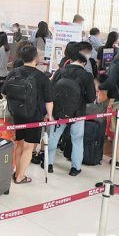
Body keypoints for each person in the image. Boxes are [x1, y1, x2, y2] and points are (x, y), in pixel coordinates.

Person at [2, 45, 54, 184]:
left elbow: (3, 91)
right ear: (36, 58)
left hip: (17, 114)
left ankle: (16, 172)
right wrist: (50, 115)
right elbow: (49, 100)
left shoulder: (14, 72)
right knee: (29, 147)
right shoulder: (41, 77)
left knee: (19, 144)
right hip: (34, 115)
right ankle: (20, 176)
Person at [46, 48, 96, 176]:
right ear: (84, 62)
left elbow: (50, 91)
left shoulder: (60, 72)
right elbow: (91, 98)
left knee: (53, 138)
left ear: (71, 60)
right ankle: (75, 168)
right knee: (77, 140)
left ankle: (48, 164)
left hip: (58, 112)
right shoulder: (87, 76)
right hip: (78, 113)